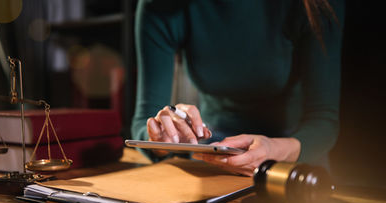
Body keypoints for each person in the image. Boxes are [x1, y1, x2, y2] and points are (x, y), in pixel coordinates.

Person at [131, 0, 344, 176]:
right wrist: (163, 137)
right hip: (210, 161)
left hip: (294, 162)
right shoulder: (160, 6)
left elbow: (324, 121)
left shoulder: (315, 5)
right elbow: (143, 124)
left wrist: (274, 149)